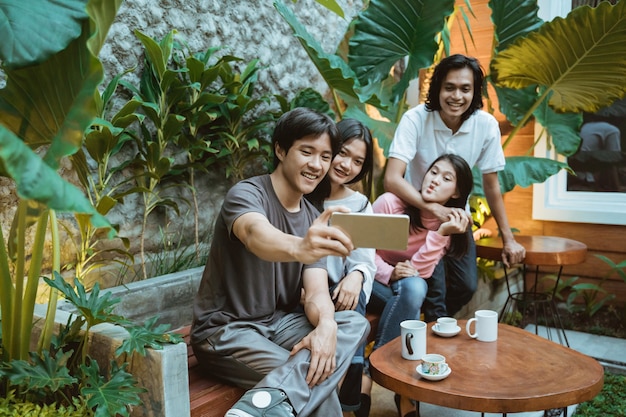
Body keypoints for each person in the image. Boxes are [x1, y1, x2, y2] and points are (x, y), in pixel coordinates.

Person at [190, 107, 370, 417]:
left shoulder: (314, 217)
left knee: (353, 322)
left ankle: (257, 408)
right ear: (280, 149)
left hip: (280, 324)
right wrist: (300, 247)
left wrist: (326, 325)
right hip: (227, 330)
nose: (317, 165)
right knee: (316, 377)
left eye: (325, 156)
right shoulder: (247, 194)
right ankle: (256, 408)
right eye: (307, 151)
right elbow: (255, 234)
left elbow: (315, 294)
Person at [384, 54, 526, 323]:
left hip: (457, 218)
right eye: (449, 87)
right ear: (438, 88)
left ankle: (430, 324)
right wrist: (431, 207)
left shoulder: (485, 126)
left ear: (475, 92)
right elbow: (392, 178)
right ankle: (430, 336)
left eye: (465, 89)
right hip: (418, 216)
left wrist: (508, 238)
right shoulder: (415, 119)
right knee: (432, 290)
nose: (456, 96)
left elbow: (491, 185)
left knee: (466, 286)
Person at [361, 153, 473, 417]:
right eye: (433, 172)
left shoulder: (447, 226)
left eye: (446, 178)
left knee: (415, 289)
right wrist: (389, 272)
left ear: (457, 193)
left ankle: (371, 371)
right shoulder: (390, 204)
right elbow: (363, 251)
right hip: (372, 282)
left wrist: (441, 233)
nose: (434, 180)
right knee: (413, 293)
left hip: (405, 291)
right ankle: (403, 392)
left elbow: (420, 272)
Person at [305, 118, 376, 416]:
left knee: (350, 299)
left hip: (341, 289)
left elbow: (365, 257)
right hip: (307, 289)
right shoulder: (304, 191)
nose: (347, 165)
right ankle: (351, 387)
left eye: (358, 161)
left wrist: (357, 276)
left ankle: (348, 385)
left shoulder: (359, 203)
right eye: (343, 153)